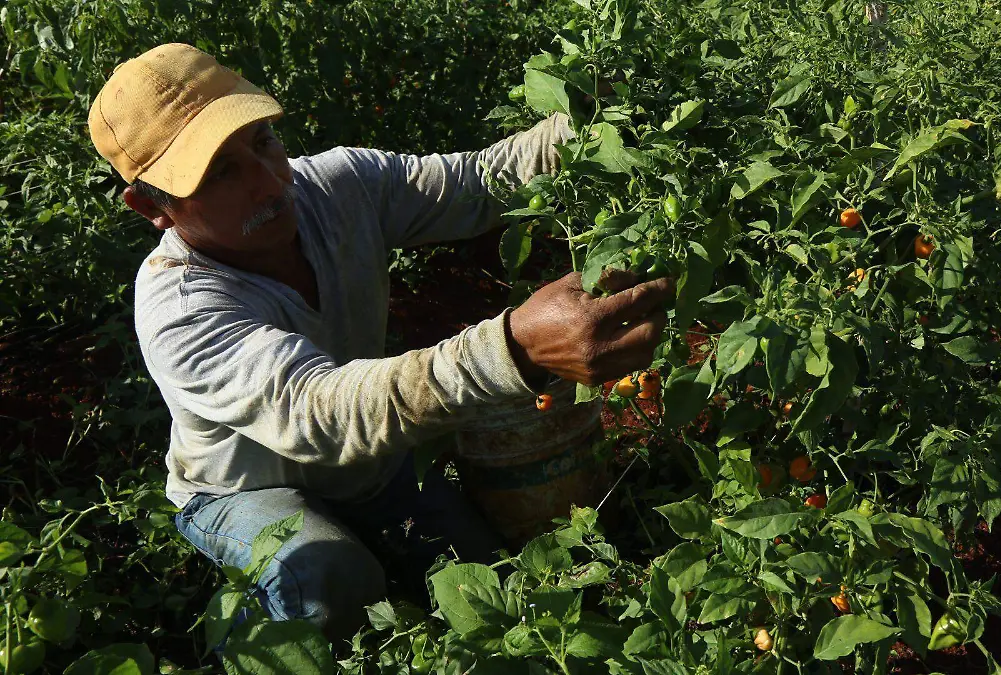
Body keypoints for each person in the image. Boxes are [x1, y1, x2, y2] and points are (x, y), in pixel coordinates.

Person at [86, 43, 671, 642]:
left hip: (370, 467)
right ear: (149, 206)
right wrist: (513, 349)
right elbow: (319, 412)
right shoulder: (180, 310)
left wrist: (597, 113)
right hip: (248, 490)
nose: (268, 184)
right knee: (328, 579)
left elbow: (477, 181)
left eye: (262, 142)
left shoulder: (337, 188)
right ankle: (249, 630)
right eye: (220, 173)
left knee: (494, 584)